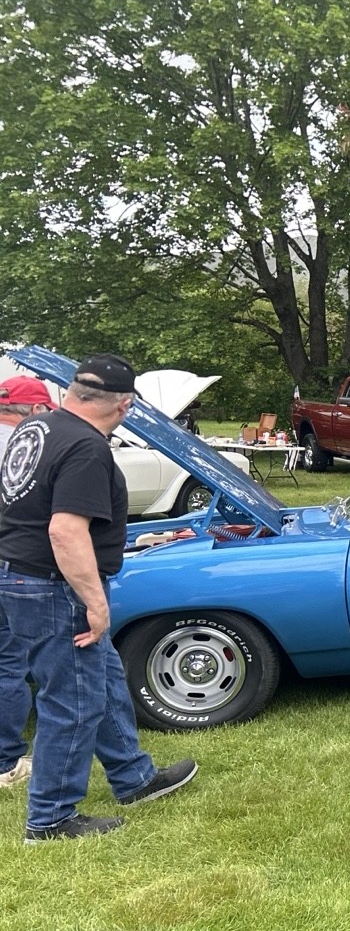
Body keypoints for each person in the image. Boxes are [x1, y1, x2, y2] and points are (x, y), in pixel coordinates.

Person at [0, 354, 197, 842]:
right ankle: (50, 818)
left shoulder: (38, 427)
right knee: (73, 700)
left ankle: (134, 777)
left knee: (102, 677)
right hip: (53, 584)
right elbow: (65, 531)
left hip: (16, 571)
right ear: (124, 406)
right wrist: (95, 601)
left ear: (73, 391)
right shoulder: (87, 447)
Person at [0, 374, 56, 788]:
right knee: (9, 663)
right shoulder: (23, 448)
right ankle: (5, 761)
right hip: (12, 563)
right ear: (35, 410)